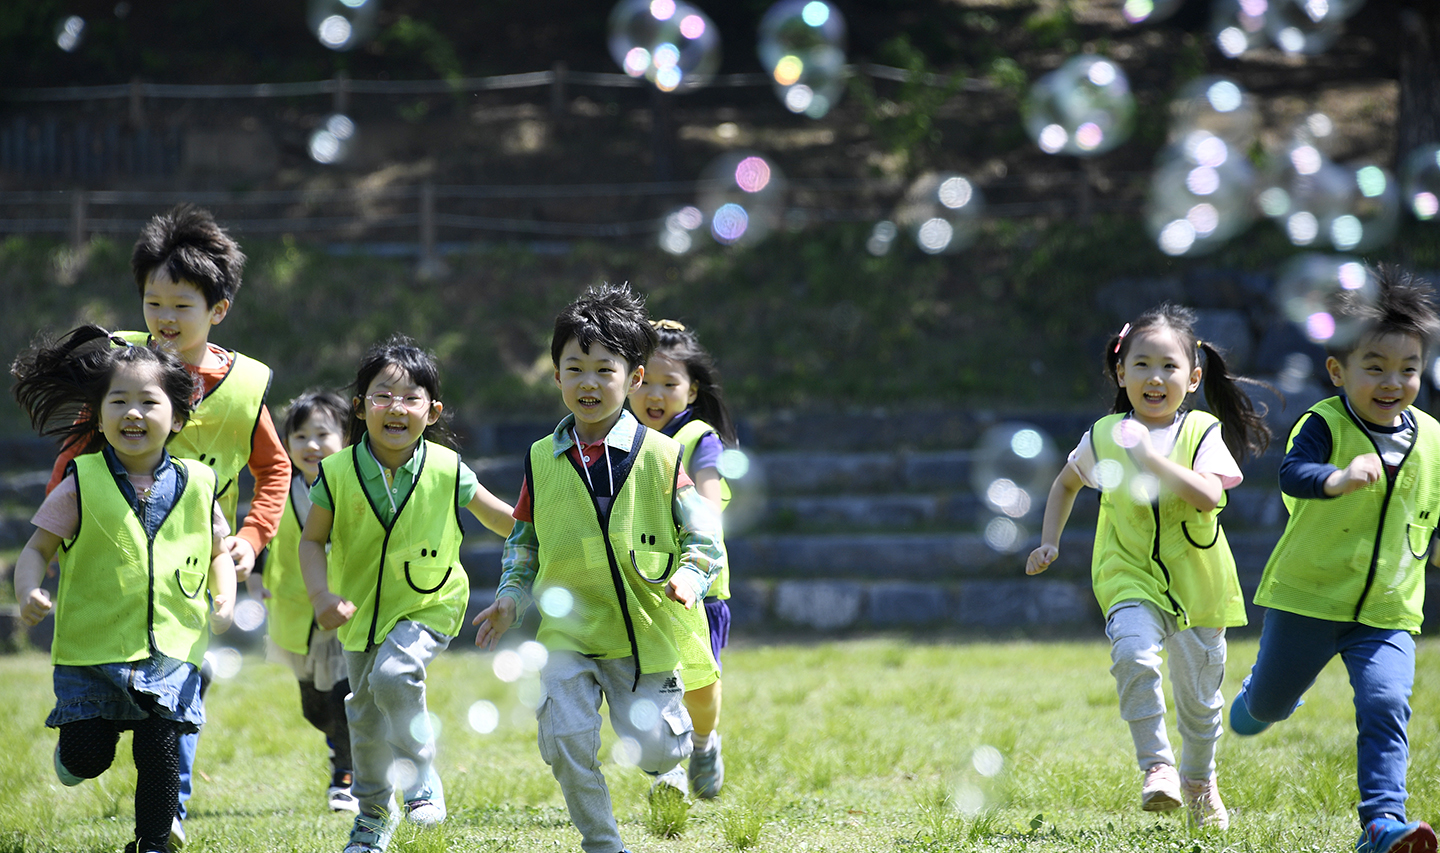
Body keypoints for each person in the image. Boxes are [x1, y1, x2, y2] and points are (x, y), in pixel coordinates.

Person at [43, 203, 291, 847]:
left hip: (190, 574)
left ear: (218, 310)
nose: (163, 319)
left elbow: (275, 469)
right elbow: (72, 457)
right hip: (111, 570)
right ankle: (85, 750)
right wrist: (56, 530)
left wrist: (250, 538)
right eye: (153, 302)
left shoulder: (243, 387)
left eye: (181, 305)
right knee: (106, 702)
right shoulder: (120, 368)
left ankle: (163, 819)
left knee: (178, 701)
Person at [472, 283, 725, 853]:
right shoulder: (541, 457)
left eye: (603, 369)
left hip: (644, 632)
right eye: (574, 367)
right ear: (556, 376)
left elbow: (704, 532)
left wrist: (690, 574)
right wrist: (511, 597)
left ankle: (685, 751)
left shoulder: (662, 455)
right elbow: (524, 543)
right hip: (569, 630)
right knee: (564, 740)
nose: (588, 382)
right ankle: (602, 843)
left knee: (660, 750)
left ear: (633, 378)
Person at [1026, 303, 1271, 830]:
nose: (1154, 377)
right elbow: (1067, 482)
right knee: (1134, 657)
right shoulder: (1106, 434)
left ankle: (1199, 781)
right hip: (1127, 575)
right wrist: (1050, 542)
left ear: (1194, 377)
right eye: (1141, 364)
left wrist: (1156, 461)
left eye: (1168, 366)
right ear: (1121, 372)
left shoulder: (1202, 431)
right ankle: (1156, 766)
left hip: (1198, 585)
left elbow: (1209, 496)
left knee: (1202, 704)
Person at [1229, 268, 1440, 853]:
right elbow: (1293, 474)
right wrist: (1338, 478)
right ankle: (1261, 697)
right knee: (1266, 706)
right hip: (1308, 598)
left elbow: (1432, 513)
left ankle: (1381, 824)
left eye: (1408, 369)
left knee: (1386, 702)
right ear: (1337, 371)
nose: (1392, 382)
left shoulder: (1434, 439)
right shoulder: (1324, 423)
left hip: (1389, 609)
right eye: (1374, 367)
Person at [12, 326, 235, 853]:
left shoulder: (200, 486)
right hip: (92, 653)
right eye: (119, 401)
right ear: (100, 414)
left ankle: (152, 843)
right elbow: (35, 551)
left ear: (176, 418)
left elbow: (219, 551)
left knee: (160, 753)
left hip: (172, 652)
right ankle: (74, 756)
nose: (132, 413)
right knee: (90, 757)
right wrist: (27, 592)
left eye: (148, 402)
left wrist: (225, 594)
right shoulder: (80, 481)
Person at [300, 335, 515, 853]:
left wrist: (553, 531)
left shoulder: (447, 469)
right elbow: (312, 541)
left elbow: (502, 518)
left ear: (432, 410)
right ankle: (373, 817)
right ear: (359, 407)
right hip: (359, 617)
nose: (396, 407)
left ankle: (422, 783)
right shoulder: (336, 472)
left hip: (430, 602)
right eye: (381, 395)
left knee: (396, 676)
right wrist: (322, 596)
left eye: (411, 397)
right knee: (365, 717)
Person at [627, 317, 738, 799]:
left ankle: (704, 740)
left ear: (691, 393)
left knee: (699, 687)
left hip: (699, 586)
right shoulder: (619, 438)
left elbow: (710, 500)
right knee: (649, 679)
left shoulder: (698, 439)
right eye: (644, 381)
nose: (655, 393)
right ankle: (666, 769)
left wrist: (700, 538)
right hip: (643, 584)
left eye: (669, 384)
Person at [247, 390, 358, 813]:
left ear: (346, 438)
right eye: (299, 436)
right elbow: (261, 536)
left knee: (342, 698)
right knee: (315, 708)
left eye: (322, 434)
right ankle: (346, 747)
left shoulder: (353, 485)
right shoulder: (282, 491)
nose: (311, 445)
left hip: (347, 611)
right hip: (296, 611)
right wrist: (256, 581)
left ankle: (346, 777)